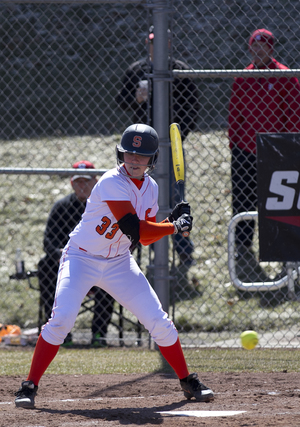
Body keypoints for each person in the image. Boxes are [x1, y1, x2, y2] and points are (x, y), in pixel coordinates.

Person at [14, 124, 214, 409]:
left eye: (141, 155)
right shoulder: (110, 181)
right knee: (61, 320)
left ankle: (186, 379)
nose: (134, 159)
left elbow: (145, 238)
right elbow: (137, 230)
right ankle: (29, 385)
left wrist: (172, 220)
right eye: (129, 153)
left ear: (152, 160)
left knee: (160, 322)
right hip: (81, 258)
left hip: (119, 262)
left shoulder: (151, 188)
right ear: (120, 154)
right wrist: (173, 225)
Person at [116, 26, 199, 281]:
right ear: (147, 43)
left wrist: (175, 138)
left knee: (176, 196)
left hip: (171, 148)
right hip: (143, 152)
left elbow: (192, 109)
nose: (157, 46)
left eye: (162, 41)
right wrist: (136, 99)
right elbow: (120, 102)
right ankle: (151, 248)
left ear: (170, 42)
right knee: (146, 199)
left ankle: (183, 247)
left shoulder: (180, 71)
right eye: (153, 42)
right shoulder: (137, 70)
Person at [228, 28, 300, 282]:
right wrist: (234, 143)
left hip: (276, 151)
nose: (257, 51)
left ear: (271, 49)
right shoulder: (244, 77)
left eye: (263, 47)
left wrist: (287, 146)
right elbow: (234, 114)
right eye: (254, 47)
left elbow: (293, 114)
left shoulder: (284, 75)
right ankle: (243, 244)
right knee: (243, 198)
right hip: (245, 150)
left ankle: (284, 252)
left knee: (278, 201)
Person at [38, 160, 114, 347]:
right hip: (67, 264)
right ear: (71, 182)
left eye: (86, 181)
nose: (82, 185)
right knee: (45, 265)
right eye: (78, 181)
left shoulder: (105, 206)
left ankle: (99, 334)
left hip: (97, 261)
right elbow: (48, 241)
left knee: (111, 267)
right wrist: (61, 256)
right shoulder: (61, 207)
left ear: (96, 181)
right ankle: (59, 332)